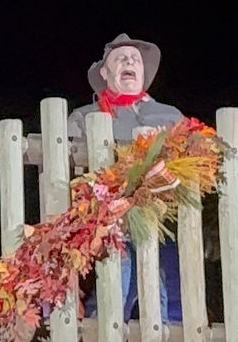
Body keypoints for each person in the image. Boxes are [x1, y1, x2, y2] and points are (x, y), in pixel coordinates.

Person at [68, 33, 184, 323]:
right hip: (106, 218)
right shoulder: (83, 117)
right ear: (106, 73)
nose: (129, 61)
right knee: (115, 279)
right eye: (120, 59)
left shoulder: (170, 116)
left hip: (160, 218)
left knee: (160, 283)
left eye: (134, 59)